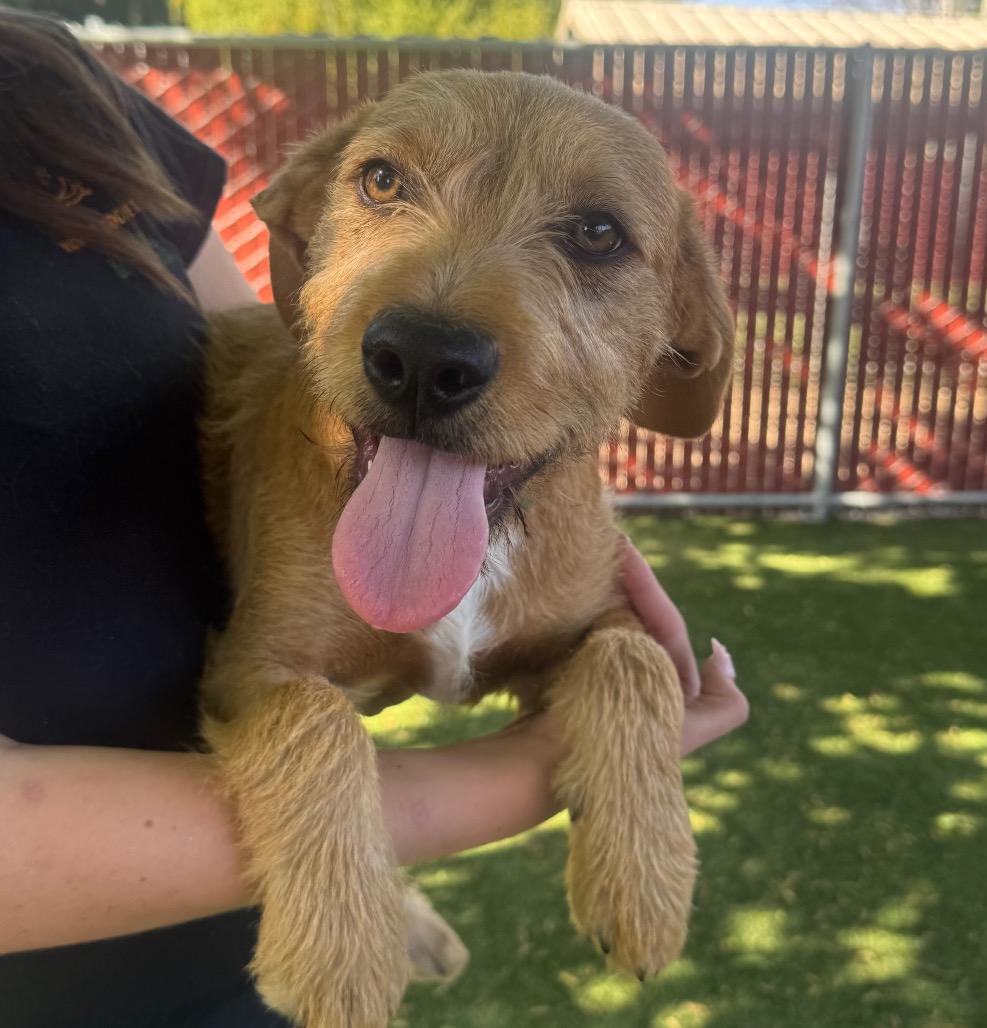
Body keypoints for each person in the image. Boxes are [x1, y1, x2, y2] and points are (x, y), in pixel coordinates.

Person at [0, 11, 748, 1027]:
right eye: (387, 183)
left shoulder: (51, 82)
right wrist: (471, 789)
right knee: (302, 717)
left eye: (595, 237)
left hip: (199, 944)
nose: (436, 324)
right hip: (73, 979)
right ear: (307, 229)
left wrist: (630, 699)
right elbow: (269, 677)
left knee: (618, 658)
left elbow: (597, 633)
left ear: (680, 331)